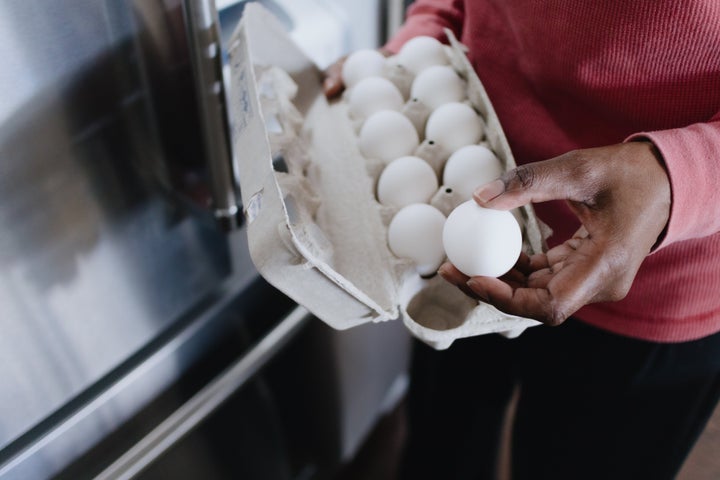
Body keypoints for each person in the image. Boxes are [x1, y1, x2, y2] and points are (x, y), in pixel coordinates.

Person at [325, 1, 720, 479]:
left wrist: (675, 179)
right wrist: (424, 41)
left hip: (659, 275)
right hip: (461, 202)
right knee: (442, 450)